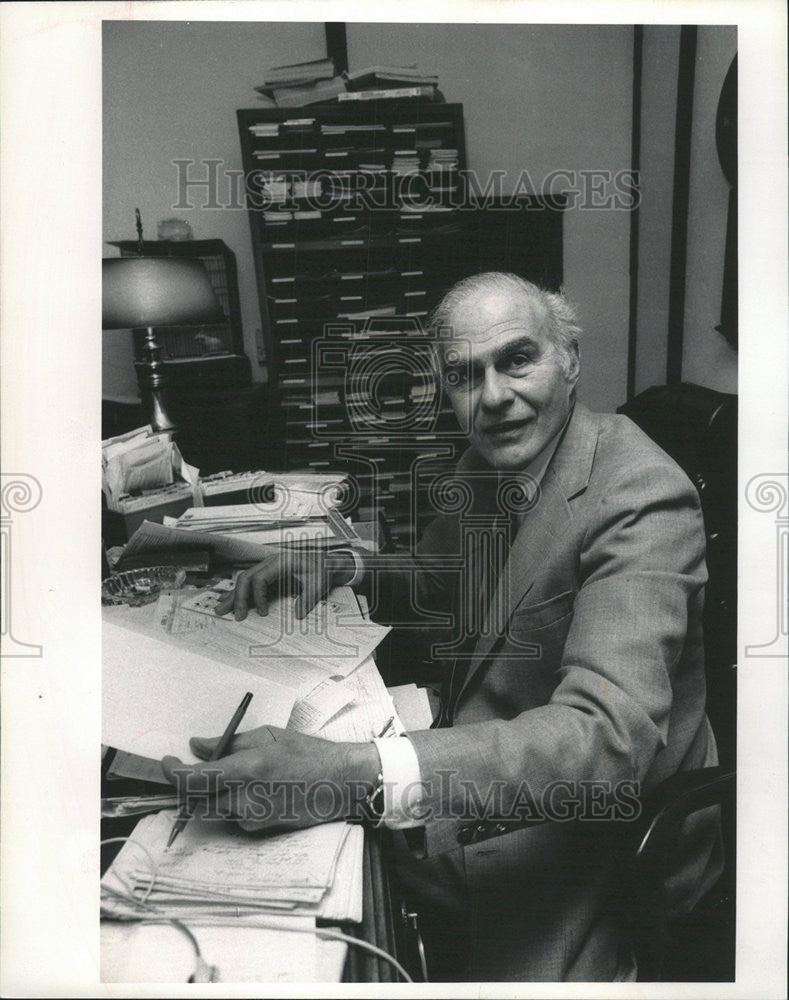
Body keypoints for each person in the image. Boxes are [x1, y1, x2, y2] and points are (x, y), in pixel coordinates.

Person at [162, 272, 722, 982]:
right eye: (463, 375)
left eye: (517, 359)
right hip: (493, 764)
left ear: (570, 359)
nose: (492, 397)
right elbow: (445, 580)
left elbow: (606, 740)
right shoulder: (488, 465)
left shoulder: (641, 494)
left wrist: (349, 775)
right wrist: (339, 567)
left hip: (601, 825)